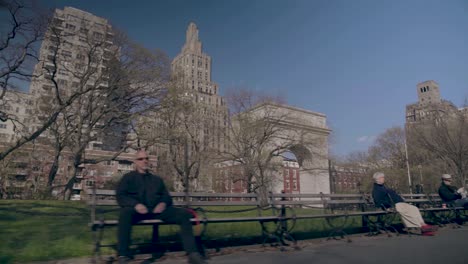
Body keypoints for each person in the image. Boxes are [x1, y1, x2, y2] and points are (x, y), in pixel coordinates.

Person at [116, 150, 206, 264]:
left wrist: (162, 203)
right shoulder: (128, 178)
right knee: (124, 214)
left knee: (183, 215)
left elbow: (166, 197)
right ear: (135, 162)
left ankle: (193, 253)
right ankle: (123, 255)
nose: (144, 161)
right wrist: (135, 205)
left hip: (157, 211)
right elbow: (121, 195)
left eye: (146, 158)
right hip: (136, 212)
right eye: (141, 159)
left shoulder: (156, 179)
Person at [371, 172, 437, 236]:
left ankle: (423, 224)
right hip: (391, 206)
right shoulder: (377, 189)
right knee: (407, 212)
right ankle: (422, 227)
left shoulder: (383, 187)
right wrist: (389, 205)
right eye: (382, 177)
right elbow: (378, 201)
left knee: (414, 208)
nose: (384, 179)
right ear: (378, 179)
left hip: (398, 204)